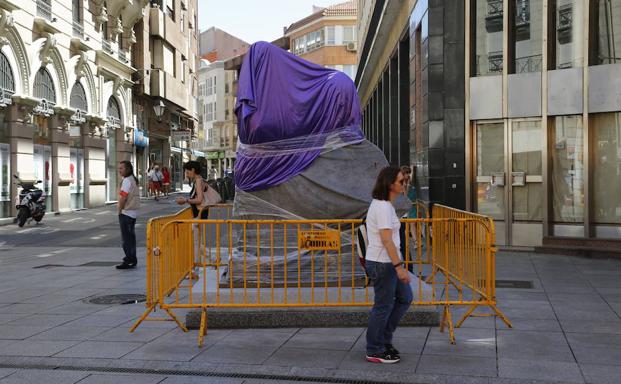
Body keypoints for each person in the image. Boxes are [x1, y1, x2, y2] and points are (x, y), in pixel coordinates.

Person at [364, 166, 413, 364]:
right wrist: (399, 267)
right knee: (383, 306)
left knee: (405, 297)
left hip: (385, 262)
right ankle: (374, 348)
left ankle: (383, 340)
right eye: (401, 181)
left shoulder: (384, 205)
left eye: (405, 181)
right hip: (383, 262)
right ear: (389, 184)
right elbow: (387, 239)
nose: (404, 184)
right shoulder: (383, 207)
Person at [116, 160, 140, 270]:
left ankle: (129, 259)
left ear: (128, 169)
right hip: (133, 212)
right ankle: (132, 259)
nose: (119, 170)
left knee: (126, 238)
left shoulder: (126, 181)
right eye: (119, 168)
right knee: (131, 237)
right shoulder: (133, 180)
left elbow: (123, 197)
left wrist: (119, 210)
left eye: (121, 168)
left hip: (126, 212)